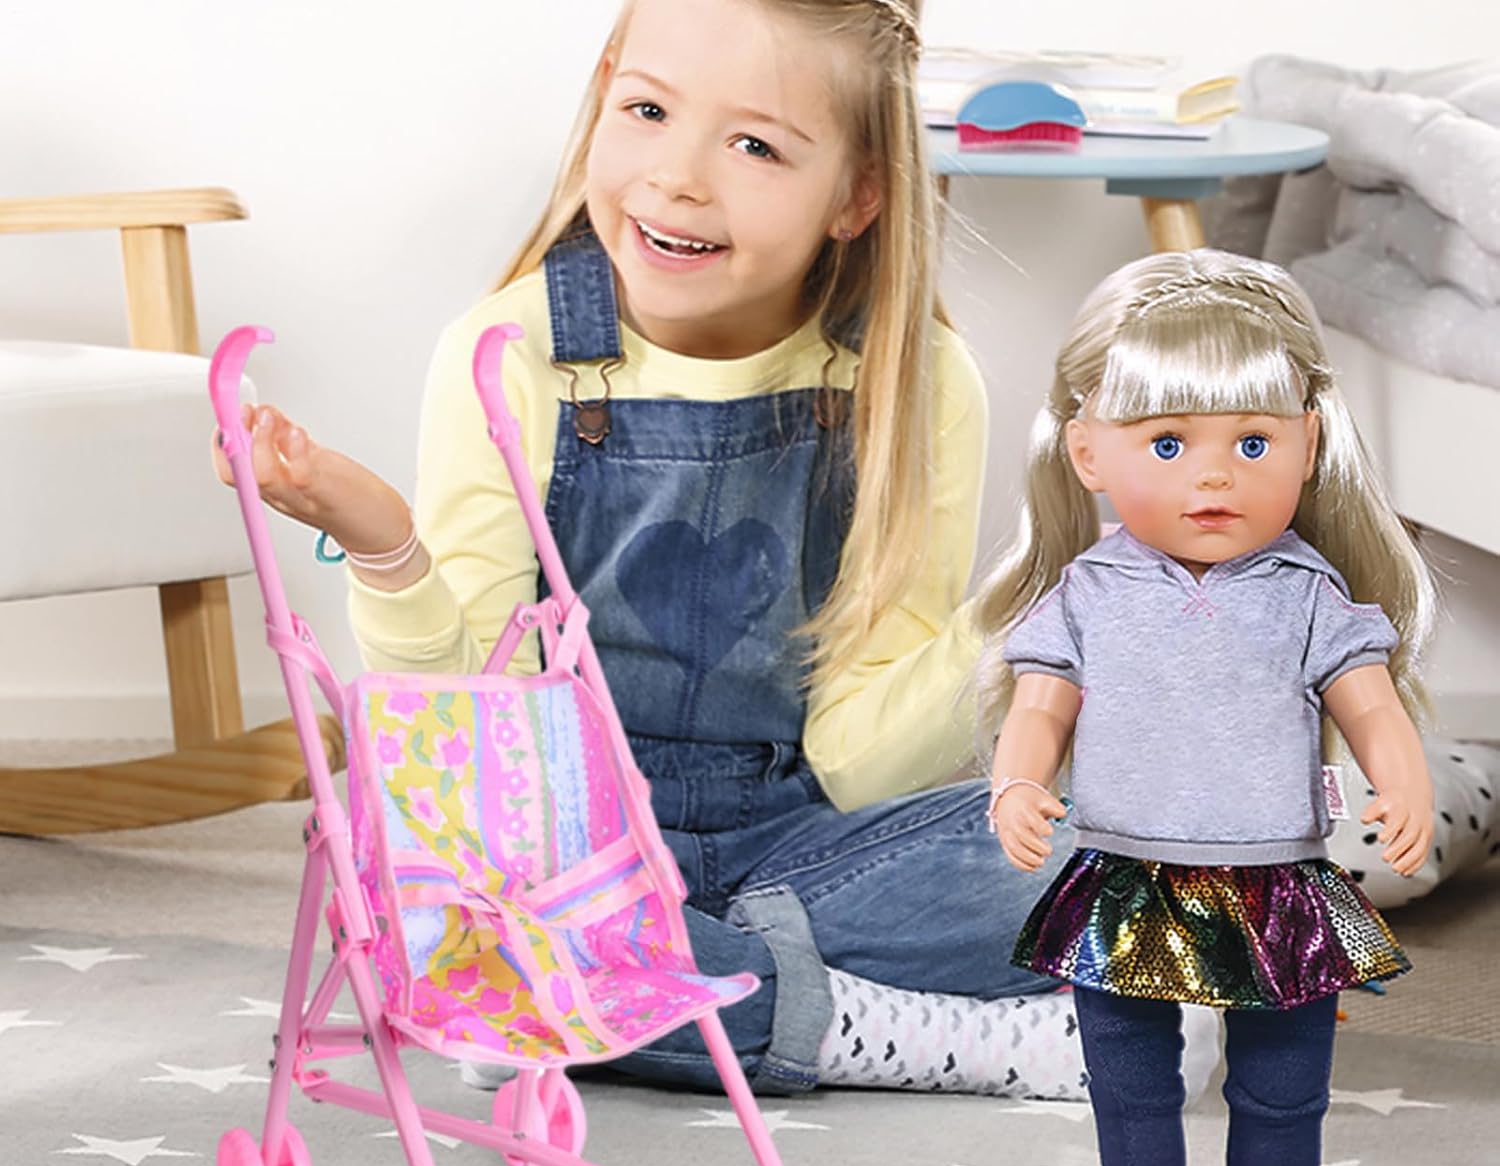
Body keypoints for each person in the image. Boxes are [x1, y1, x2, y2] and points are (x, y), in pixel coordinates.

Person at [213, 0, 1220, 1102]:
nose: (678, 178)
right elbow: (474, 729)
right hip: (557, 847)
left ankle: (647, 985)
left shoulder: (916, 383)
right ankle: (892, 1032)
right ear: (605, 87)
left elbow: (863, 762)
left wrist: (1037, 605)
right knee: (428, 900)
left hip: (790, 853)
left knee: (1112, 867)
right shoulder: (509, 352)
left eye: (754, 145)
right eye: (648, 110)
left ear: (859, 194)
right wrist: (383, 547)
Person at [975, 249, 1435, 1166]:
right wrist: (1015, 784)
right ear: (1089, 452)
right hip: (1125, 869)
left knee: (1284, 1077)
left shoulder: (1307, 593)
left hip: (1276, 874)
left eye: (1253, 443)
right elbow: (1040, 707)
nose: (1215, 477)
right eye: (1170, 444)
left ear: (1308, 446)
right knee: (1127, 1071)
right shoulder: (1088, 593)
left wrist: (1402, 778)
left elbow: (1370, 704)